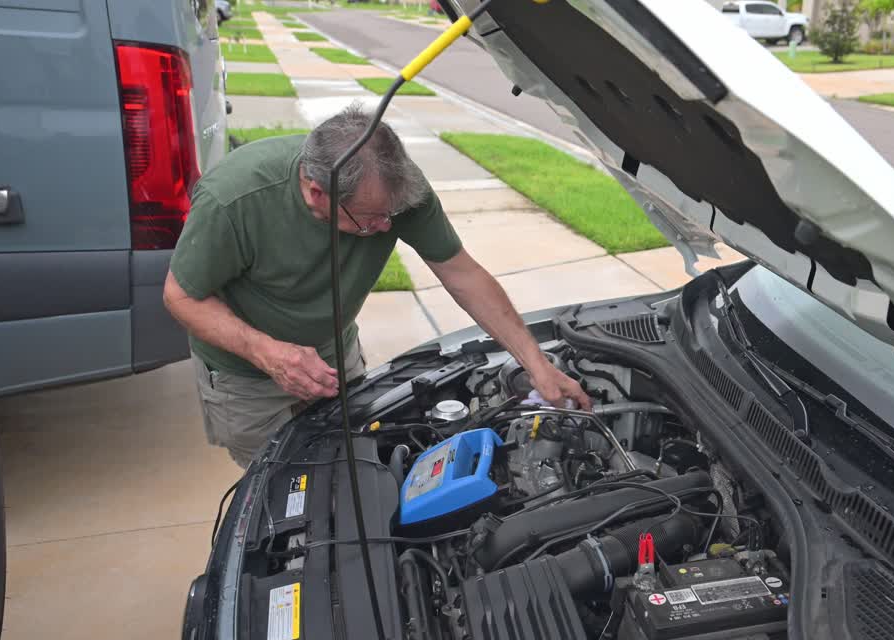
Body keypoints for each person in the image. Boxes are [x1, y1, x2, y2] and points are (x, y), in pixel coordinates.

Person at [164, 106, 590, 468]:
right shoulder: (234, 199)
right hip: (246, 377)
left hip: (335, 358)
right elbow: (180, 296)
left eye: (392, 214)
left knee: (353, 465)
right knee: (279, 489)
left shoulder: (395, 191)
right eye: (371, 219)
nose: (388, 226)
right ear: (317, 194)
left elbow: (463, 274)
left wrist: (536, 364)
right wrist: (268, 354)